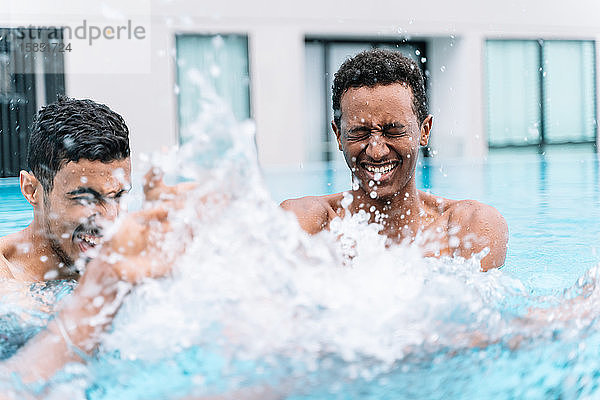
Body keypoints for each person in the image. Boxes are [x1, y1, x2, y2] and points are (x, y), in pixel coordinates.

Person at [281, 49, 508, 271]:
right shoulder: (306, 222)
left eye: (393, 131)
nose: (376, 151)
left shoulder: (467, 226)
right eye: (359, 132)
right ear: (339, 135)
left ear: (424, 131)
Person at [0, 97, 132, 281]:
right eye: (87, 198)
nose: (111, 217)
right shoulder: (7, 278)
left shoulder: (131, 260)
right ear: (31, 190)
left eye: (118, 196)